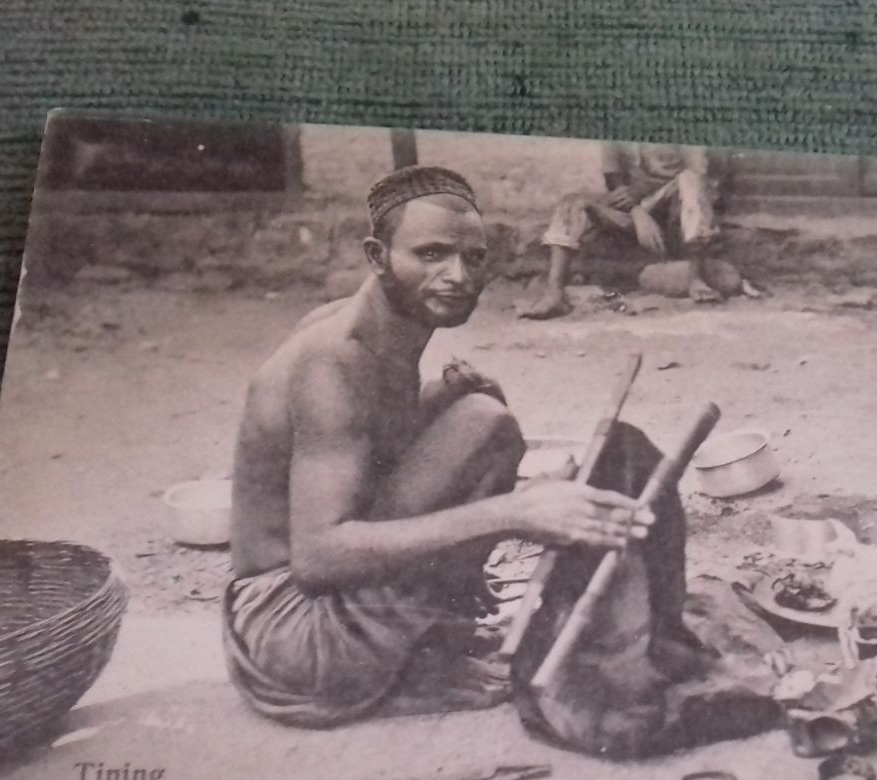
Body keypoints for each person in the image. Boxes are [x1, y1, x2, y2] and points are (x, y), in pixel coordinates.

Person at [224, 165, 656, 728]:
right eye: (430, 255)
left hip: (299, 612)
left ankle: (428, 636)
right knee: (484, 428)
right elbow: (318, 557)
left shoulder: (368, 326)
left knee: (478, 417)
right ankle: (415, 666)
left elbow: (361, 450)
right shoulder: (334, 359)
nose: (458, 276)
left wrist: (436, 400)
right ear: (378, 256)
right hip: (294, 635)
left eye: (473, 258)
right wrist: (511, 513)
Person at [523, 142, 724, 320]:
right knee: (572, 201)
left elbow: (701, 174)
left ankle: (696, 278)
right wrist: (636, 212)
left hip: (670, 210)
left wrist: (639, 194)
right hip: (631, 210)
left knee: (690, 180)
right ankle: (554, 293)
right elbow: (612, 177)